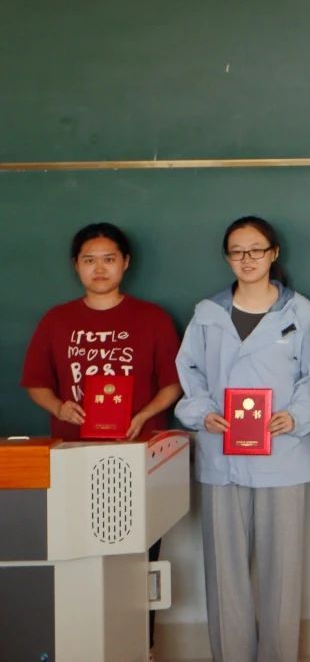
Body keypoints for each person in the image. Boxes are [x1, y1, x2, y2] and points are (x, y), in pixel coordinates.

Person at [21, 221, 183, 658]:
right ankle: (84, 647)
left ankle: (141, 648)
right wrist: (59, 408)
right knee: (78, 560)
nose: (99, 268)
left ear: (125, 263)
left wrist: (144, 414)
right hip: (73, 461)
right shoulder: (57, 320)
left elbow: (173, 383)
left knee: (137, 564)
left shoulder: (152, 318)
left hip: (138, 460)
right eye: (89, 260)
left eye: (109, 259)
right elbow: (36, 382)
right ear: (76, 265)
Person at [174, 215, 310, 662]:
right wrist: (203, 413)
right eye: (237, 251)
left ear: (273, 254)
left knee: (282, 572)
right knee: (225, 571)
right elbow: (190, 372)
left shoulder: (299, 311)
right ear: (227, 258)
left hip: (283, 454)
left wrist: (295, 416)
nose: (247, 259)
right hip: (222, 455)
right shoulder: (208, 313)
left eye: (256, 250)